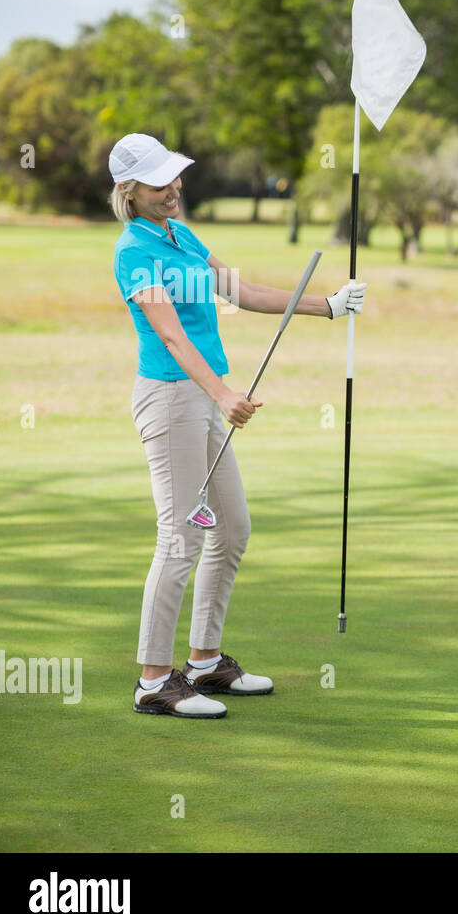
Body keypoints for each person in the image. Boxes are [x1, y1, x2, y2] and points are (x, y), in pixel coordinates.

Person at [109, 133, 365, 719]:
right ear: (129, 191)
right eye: (158, 183)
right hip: (173, 400)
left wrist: (326, 305)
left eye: (174, 177)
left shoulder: (181, 234)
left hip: (203, 398)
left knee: (233, 528)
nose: (173, 188)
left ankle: (203, 662)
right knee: (180, 536)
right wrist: (223, 393)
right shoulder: (133, 252)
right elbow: (171, 335)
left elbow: (241, 291)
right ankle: (153, 680)